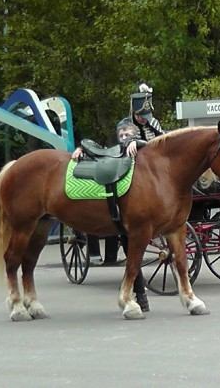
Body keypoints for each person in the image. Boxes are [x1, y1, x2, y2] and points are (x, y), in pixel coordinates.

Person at [72, 121, 151, 312]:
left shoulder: (143, 156)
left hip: (131, 209)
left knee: (132, 251)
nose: (124, 138)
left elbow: (152, 146)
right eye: (121, 135)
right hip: (119, 212)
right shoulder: (114, 151)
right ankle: (140, 296)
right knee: (132, 251)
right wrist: (81, 148)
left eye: (127, 134)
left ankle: (139, 295)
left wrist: (137, 142)